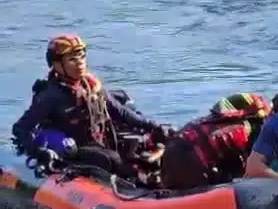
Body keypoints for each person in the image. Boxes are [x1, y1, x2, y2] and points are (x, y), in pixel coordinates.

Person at [11, 35, 170, 180]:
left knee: (144, 145)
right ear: (57, 65)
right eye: (72, 59)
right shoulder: (50, 96)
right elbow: (21, 128)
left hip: (102, 141)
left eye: (82, 57)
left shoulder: (91, 86)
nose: (80, 62)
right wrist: (38, 152)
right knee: (110, 159)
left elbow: (121, 112)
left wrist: (153, 126)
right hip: (76, 150)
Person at [160, 92, 272, 189]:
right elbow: (252, 167)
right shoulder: (248, 130)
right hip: (187, 160)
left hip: (171, 151)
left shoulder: (206, 121)